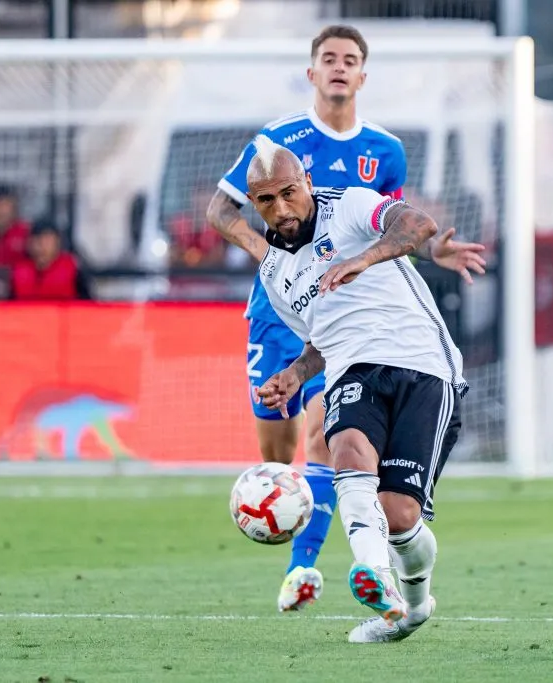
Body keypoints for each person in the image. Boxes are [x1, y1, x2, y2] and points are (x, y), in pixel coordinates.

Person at [245, 136, 483, 643]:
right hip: (351, 370)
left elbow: (418, 225)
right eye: (267, 200)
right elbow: (317, 341)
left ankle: (414, 607)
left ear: (306, 181)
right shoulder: (274, 273)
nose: (282, 208)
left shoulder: (349, 203)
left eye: (290, 192)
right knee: (346, 449)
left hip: (423, 363)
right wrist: (294, 373)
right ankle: (374, 576)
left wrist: (365, 258)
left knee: (400, 514)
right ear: (255, 205)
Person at [205, 24, 408, 612]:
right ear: (312, 73)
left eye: (350, 60)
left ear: (362, 76)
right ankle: (289, 518)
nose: (339, 67)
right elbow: (221, 209)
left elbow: (391, 225)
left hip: (341, 313)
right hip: (276, 309)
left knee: (323, 438)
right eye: (329, 59)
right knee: (278, 448)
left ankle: (302, 571)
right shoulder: (279, 140)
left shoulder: (387, 152)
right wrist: (265, 253)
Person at [11, 220, 91, 300]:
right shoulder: (18, 272)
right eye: (37, 241)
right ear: (29, 243)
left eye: (47, 241)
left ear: (57, 243)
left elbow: (88, 306)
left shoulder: (73, 270)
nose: (42, 247)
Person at [0, 183, 31, 267]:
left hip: (19, 278)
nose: (0, 211)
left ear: (13, 206)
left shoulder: (26, 232)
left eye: (5, 205)